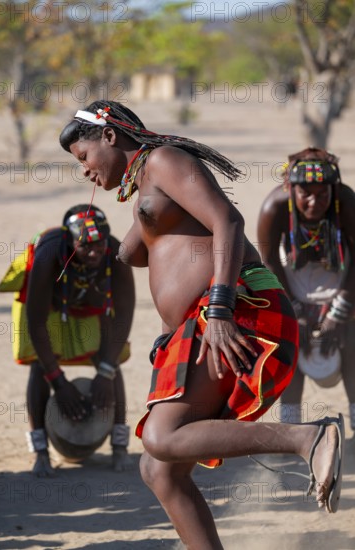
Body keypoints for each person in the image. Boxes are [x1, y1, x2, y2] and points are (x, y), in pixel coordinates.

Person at [59, 101, 344, 548]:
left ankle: (308, 435)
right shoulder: (146, 182)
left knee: (161, 436)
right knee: (159, 471)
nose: (85, 172)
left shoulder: (165, 160)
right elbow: (133, 251)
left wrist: (220, 307)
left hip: (241, 309)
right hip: (201, 323)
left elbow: (227, 221)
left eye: (84, 158)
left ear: (110, 136)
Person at [0, 204, 135, 477]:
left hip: (89, 302)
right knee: (40, 367)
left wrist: (105, 372)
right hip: (46, 308)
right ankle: (41, 453)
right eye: (85, 246)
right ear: (70, 241)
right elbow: (36, 322)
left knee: (111, 361)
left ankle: (120, 447)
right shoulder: (48, 255)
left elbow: (124, 315)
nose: (95, 252)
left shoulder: (115, 254)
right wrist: (58, 382)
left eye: (100, 244)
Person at [257, 147, 355, 429]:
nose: (314, 202)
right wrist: (294, 312)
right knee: (290, 346)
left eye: (322, 194)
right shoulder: (274, 208)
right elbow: (269, 263)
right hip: (292, 284)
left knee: (350, 344)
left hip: (342, 284)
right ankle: (291, 430)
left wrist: (339, 313)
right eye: (306, 194)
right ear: (292, 190)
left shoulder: (346, 203)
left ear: (333, 191)